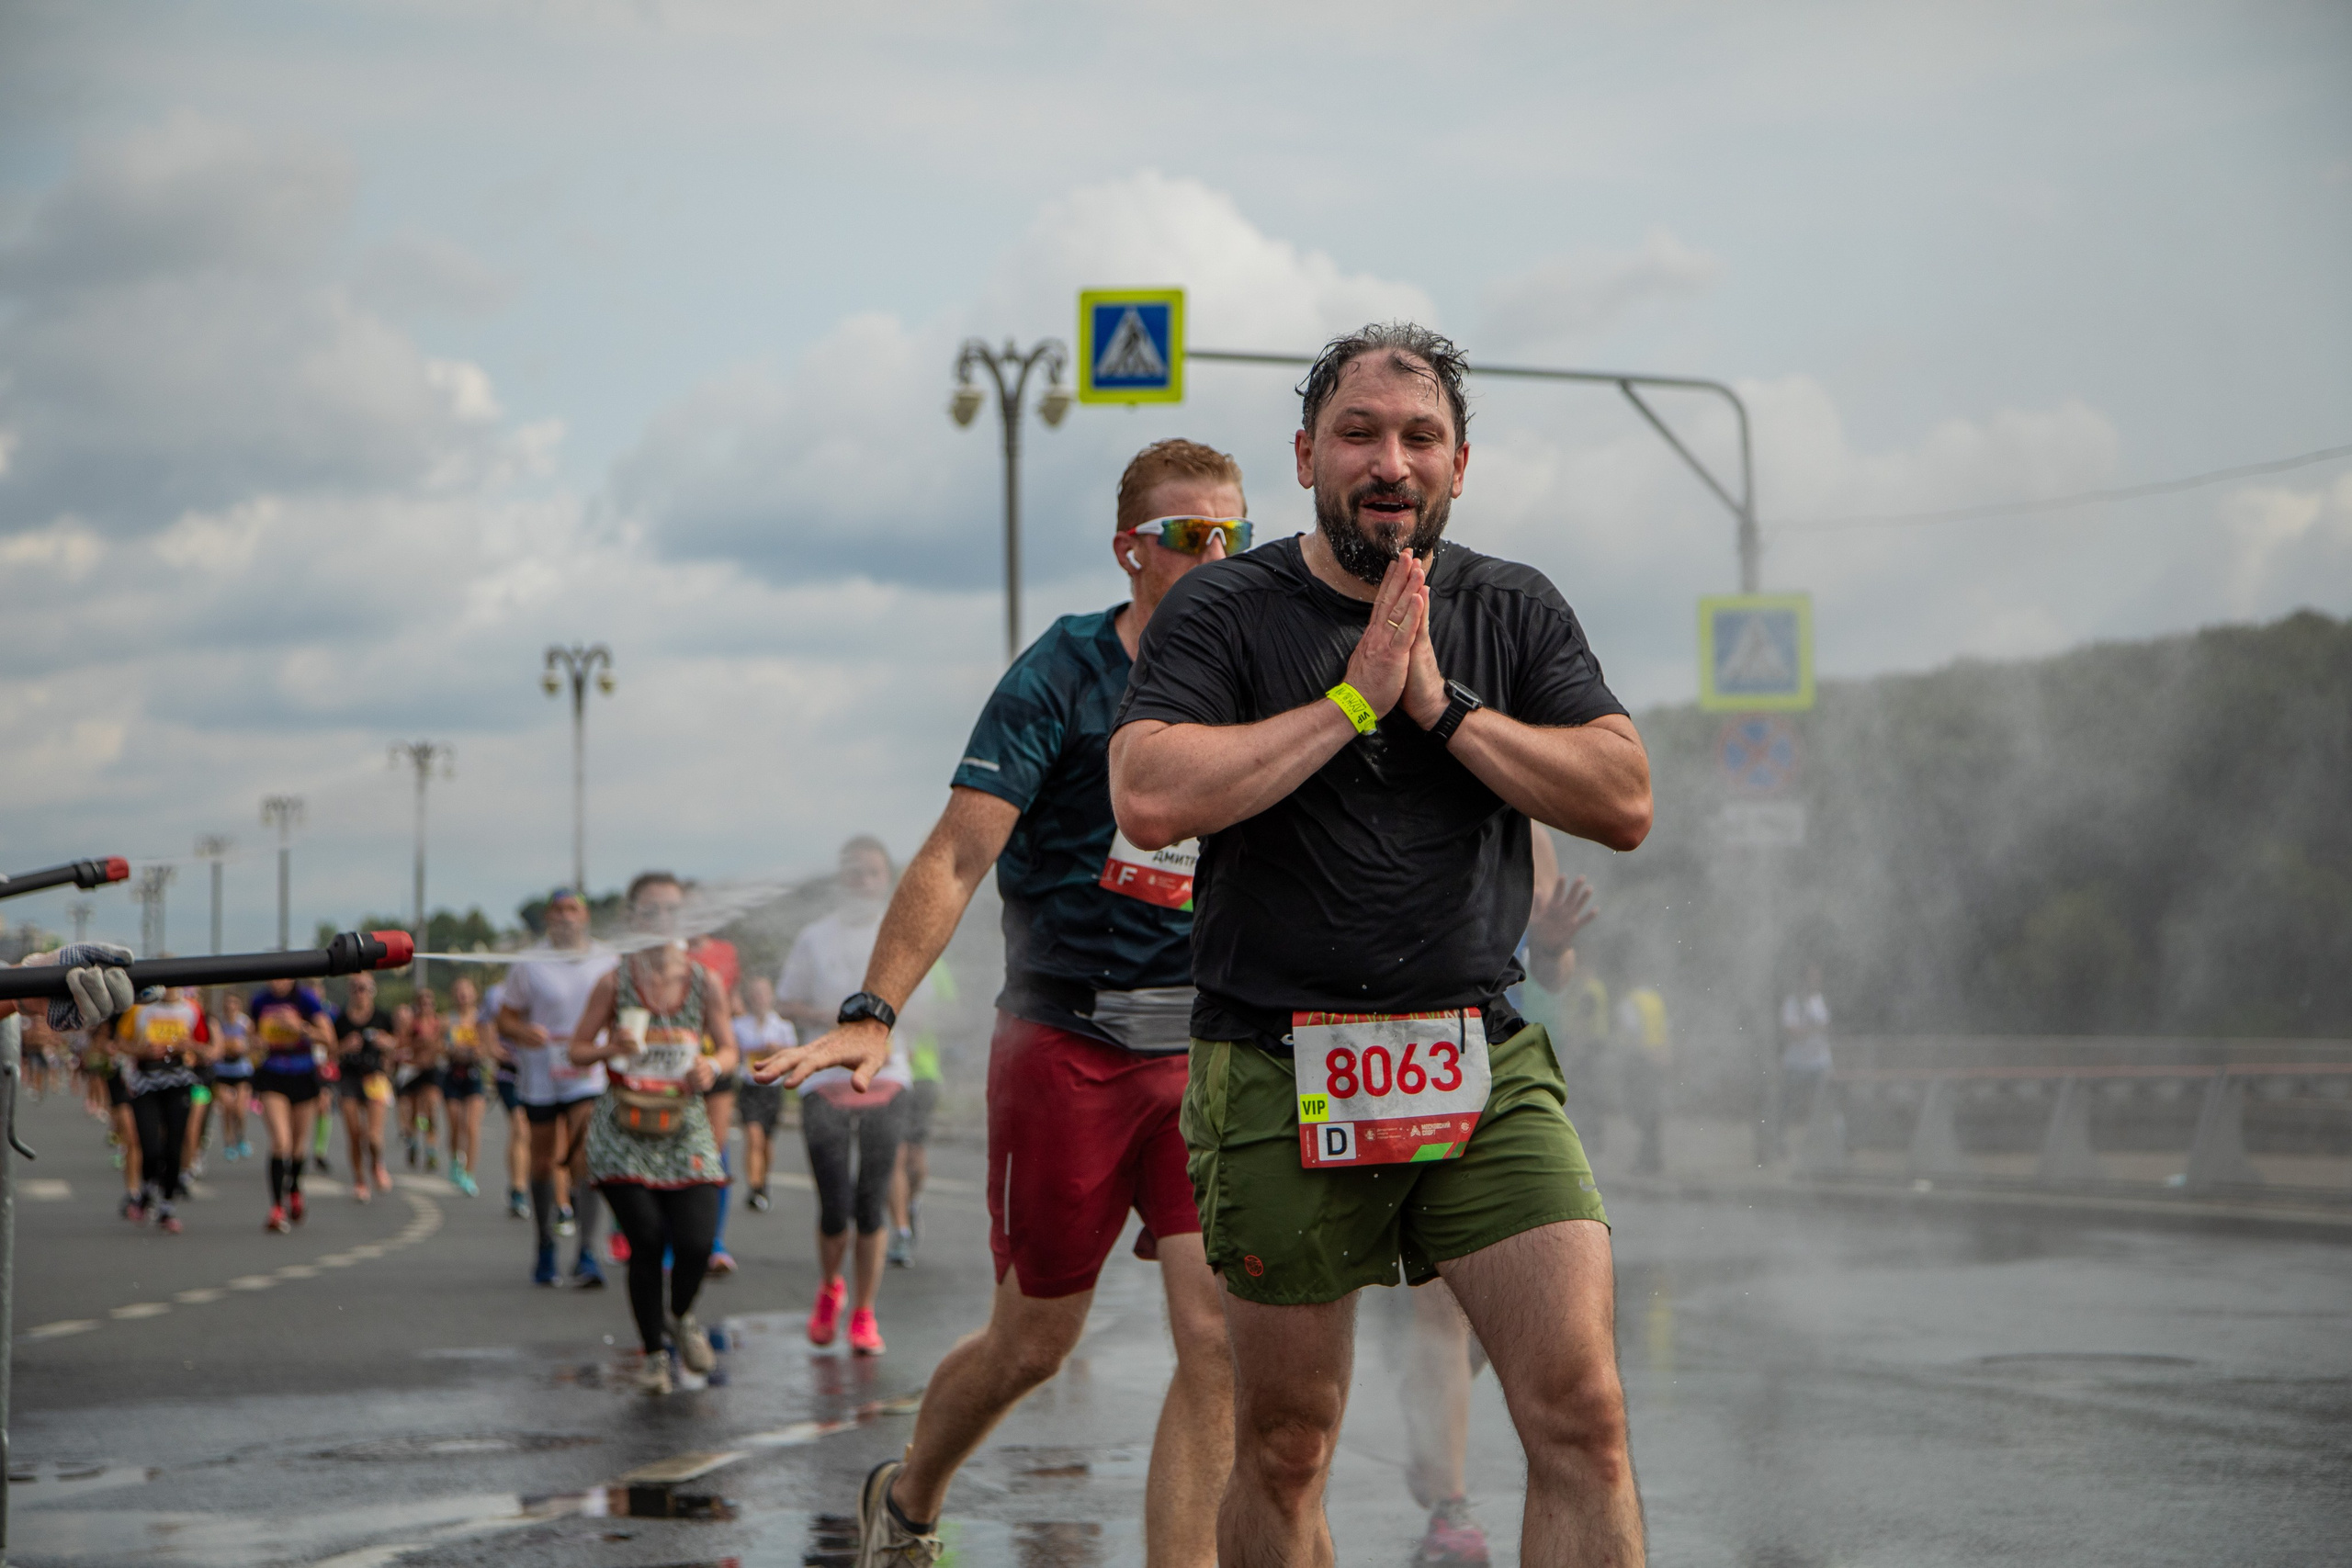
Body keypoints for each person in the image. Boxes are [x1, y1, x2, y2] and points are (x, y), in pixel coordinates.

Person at [1108, 323, 1654, 1566]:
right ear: (1306, 454)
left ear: (1463, 462)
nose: (1390, 459)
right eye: (1359, 432)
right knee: (1289, 1441)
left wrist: (1442, 705)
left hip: (1481, 1052)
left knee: (1584, 1413)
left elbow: (1623, 796)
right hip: (1279, 1057)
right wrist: (1353, 698)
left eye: (1421, 437)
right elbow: (1147, 789)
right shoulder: (1228, 609)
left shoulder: (1513, 606)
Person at [753, 437, 1249, 1567]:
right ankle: (912, 1494)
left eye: (1236, 532)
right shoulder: (1061, 674)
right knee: (1034, 1344)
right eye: (1187, 535)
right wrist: (872, 1010)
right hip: (1064, 1044)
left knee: (1215, 1338)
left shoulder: (1260, 672)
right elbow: (955, 856)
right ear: (1131, 551)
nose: (1217, 554)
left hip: (1207, 1051)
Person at [569, 872, 739, 1395]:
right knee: (644, 1240)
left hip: (684, 1126)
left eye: (672, 910)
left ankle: (681, 1316)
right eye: (650, 911)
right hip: (625, 1126)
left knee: (695, 1242)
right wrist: (609, 1049)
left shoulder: (704, 982)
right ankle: (653, 1355)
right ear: (633, 918)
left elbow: (730, 1049)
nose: (662, 920)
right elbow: (577, 1050)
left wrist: (712, 1068)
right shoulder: (614, 982)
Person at [771, 836, 918, 1358]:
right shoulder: (815, 937)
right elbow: (785, 1000)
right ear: (841, 880)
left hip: (888, 1078)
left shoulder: (903, 933)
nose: (861, 881)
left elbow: (923, 1001)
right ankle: (831, 1286)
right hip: (824, 1082)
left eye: (871, 872)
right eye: (852, 872)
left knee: (871, 1202)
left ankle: (865, 1310)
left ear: (887, 878)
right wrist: (840, 1022)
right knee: (835, 1205)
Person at [498, 888, 616, 1287]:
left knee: (586, 1155)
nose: (566, 917)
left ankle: (587, 1251)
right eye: (558, 910)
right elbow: (506, 1018)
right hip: (542, 1072)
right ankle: (545, 1243)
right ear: (548, 918)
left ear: (585, 917)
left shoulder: (606, 958)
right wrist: (521, 1031)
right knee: (544, 1160)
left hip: (588, 1071)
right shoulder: (530, 963)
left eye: (573, 910)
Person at [113, 986, 209, 1232]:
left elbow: (206, 1048)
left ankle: (167, 1206)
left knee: (175, 1145)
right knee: (150, 1144)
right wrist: (142, 1050)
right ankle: (146, 1188)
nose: (169, 989)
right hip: (146, 1082)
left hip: (178, 1081)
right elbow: (119, 1042)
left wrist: (186, 1046)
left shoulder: (191, 1010)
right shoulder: (139, 1009)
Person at [252, 975, 335, 1232]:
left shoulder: (306, 1001)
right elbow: (252, 1039)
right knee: (281, 1142)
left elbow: (328, 1038)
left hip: (303, 1074)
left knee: (299, 1147)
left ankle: (295, 1188)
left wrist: (300, 1028)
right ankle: (276, 1207)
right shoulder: (260, 1002)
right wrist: (255, 1043)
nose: (277, 982)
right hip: (273, 1074)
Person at [730, 976, 794, 1212]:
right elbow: (732, 1052)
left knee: (766, 1141)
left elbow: (793, 1057)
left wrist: (778, 1051)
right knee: (753, 1137)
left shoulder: (782, 1027)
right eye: (755, 993)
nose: (759, 998)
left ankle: (763, 1182)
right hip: (750, 1087)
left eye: (763, 993)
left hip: (772, 1089)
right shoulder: (738, 1025)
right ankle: (754, 1187)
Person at [334, 973, 398, 1203]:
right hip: (349, 1078)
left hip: (375, 1078)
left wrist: (386, 1043)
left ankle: (377, 1164)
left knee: (372, 1136)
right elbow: (331, 1053)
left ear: (372, 990)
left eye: (364, 988)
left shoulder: (382, 1017)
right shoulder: (341, 1020)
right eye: (355, 988)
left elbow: (396, 1046)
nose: (360, 993)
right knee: (354, 1134)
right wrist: (345, 1046)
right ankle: (360, 1180)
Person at [1777, 964, 1832, 1159]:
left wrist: (1814, 1029)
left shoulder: (1819, 1000)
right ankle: (1781, 1144)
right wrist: (1814, 1029)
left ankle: (1818, 1145)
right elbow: (1792, 1032)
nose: (1816, 980)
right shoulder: (1792, 1002)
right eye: (1812, 977)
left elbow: (1825, 1028)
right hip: (1797, 1064)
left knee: (1819, 1107)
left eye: (1818, 977)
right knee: (1789, 1107)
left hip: (1820, 1062)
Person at [440, 976, 489, 1196]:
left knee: (472, 1126)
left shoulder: (481, 1020)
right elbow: (440, 1046)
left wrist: (477, 1050)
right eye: (459, 991)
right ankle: (454, 1159)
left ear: (474, 994)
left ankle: (469, 1174)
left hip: (474, 1075)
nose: (463, 995)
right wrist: (452, 1050)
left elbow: (488, 1046)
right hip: (452, 1075)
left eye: (467, 991)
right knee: (455, 1124)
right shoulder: (447, 1020)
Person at [1617, 985, 1670, 1175]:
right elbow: (1663, 1028)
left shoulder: (1630, 1001)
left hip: (1639, 1060)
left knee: (1640, 1109)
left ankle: (1647, 1159)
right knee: (1652, 1110)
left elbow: (1631, 1031)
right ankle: (1654, 1158)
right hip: (1657, 1057)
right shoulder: (1656, 999)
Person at [400, 987, 446, 1173]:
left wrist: (433, 1045)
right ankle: (412, 1141)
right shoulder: (412, 1023)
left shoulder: (439, 1023)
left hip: (432, 1070)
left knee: (431, 1108)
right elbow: (403, 1044)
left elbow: (443, 1046)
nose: (426, 1006)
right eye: (422, 1003)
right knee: (414, 1112)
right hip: (415, 1071)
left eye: (429, 1002)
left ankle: (431, 1149)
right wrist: (420, 1044)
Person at [211, 989, 255, 1163]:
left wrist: (242, 1048)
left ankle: (241, 1137)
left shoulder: (245, 1023)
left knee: (239, 1109)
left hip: (241, 1071)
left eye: (234, 1003)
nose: (230, 1007)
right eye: (228, 1003)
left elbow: (253, 1044)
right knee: (227, 1108)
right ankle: (229, 1142)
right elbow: (217, 1045)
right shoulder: (219, 1023)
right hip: (222, 1071)